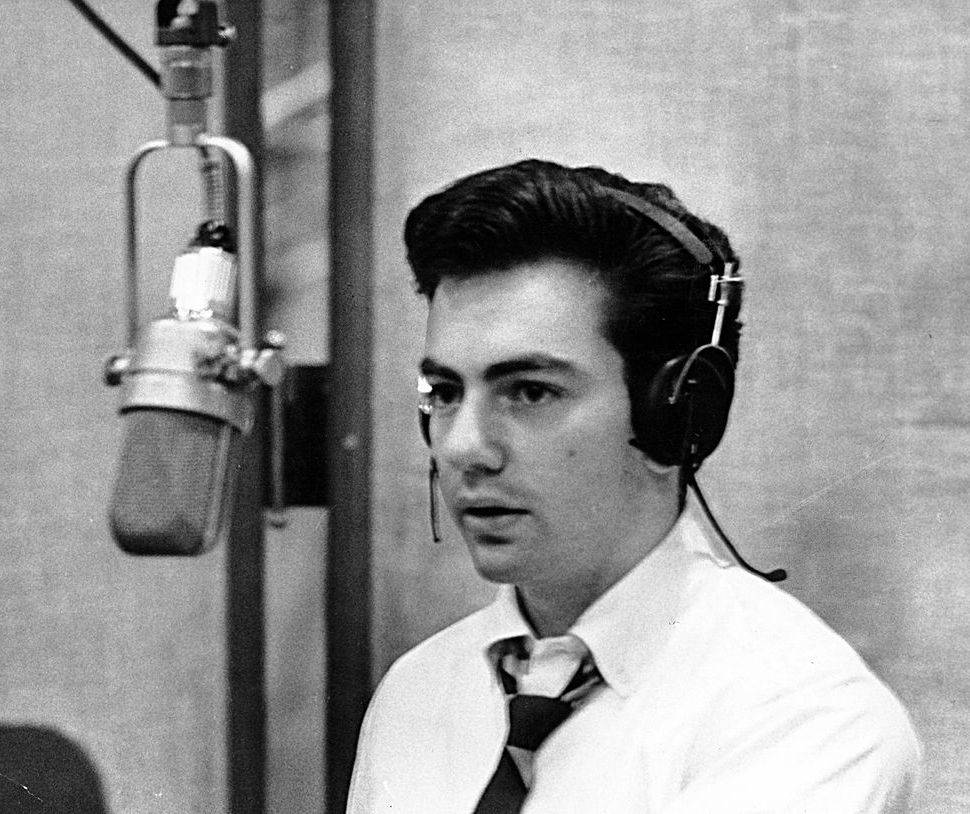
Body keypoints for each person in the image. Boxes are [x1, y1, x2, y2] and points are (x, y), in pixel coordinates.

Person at [347, 159, 921, 813]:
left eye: (530, 392)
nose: (462, 447)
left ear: (676, 412)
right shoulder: (417, 696)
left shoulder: (805, 720)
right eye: (446, 392)